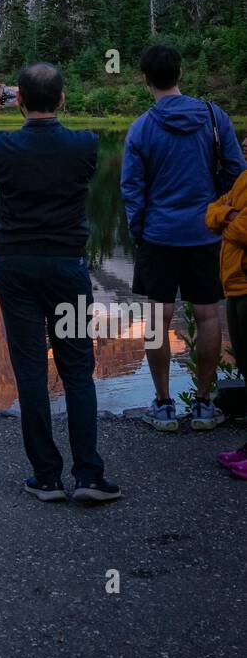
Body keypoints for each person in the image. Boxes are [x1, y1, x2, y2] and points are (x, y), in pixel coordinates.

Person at [0, 65, 120, 502]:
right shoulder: (85, 144)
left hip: (17, 270)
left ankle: (46, 477)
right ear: (63, 99)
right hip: (66, 269)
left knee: (30, 370)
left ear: (21, 102)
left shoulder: (5, 146)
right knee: (77, 370)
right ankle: (88, 475)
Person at [121, 44, 246, 433]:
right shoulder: (214, 117)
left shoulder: (142, 127)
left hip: (159, 235)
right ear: (180, 73)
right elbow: (237, 172)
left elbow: (132, 188)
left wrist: (140, 229)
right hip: (205, 235)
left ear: (146, 80)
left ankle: (162, 406)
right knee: (209, 315)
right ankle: (205, 405)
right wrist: (220, 213)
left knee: (158, 317)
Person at [205, 129, 247, 479]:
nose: (244, 143)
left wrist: (228, 216)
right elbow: (212, 211)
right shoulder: (244, 178)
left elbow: (242, 228)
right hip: (235, 283)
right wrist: (227, 214)